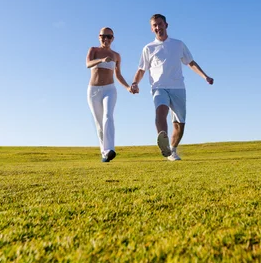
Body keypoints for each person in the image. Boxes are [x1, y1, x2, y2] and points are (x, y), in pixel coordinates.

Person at [130, 14, 214, 161]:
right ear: (151, 29)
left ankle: (173, 151)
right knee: (161, 111)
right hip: (159, 87)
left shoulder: (178, 44)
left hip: (178, 87)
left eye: (160, 24)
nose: (158, 27)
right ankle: (163, 142)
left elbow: (190, 62)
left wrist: (205, 76)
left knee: (179, 124)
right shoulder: (148, 48)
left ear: (166, 25)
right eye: (154, 25)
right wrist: (135, 83)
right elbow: (141, 69)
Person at [86, 27, 132, 162]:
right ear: (99, 37)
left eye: (109, 36)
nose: (106, 39)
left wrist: (128, 87)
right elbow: (88, 64)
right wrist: (101, 60)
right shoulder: (93, 50)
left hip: (109, 90)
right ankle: (104, 152)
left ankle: (110, 149)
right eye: (103, 36)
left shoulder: (116, 55)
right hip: (93, 91)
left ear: (113, 39)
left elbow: (118, 75)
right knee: (99, 122)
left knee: (108, 116)